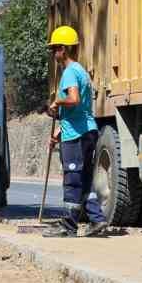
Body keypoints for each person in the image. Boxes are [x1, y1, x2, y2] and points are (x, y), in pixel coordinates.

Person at [44, 25, 108, 238]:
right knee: (85, 179)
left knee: (72, 178)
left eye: (55, 49)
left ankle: (68, 226)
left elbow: (73, 100)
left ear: (63, 49)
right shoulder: (81, 70)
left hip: (77, 135)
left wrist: (56, 101)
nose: (53, 53)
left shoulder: (70, 72)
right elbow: (78, 112)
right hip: (85, 130)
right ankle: (97, 220)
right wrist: (58, 133)